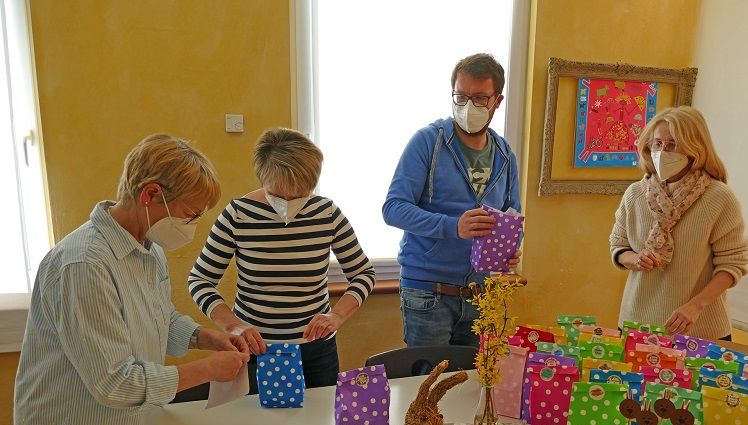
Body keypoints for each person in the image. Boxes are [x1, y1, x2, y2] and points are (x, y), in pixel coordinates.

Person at [14, 134, 251, 425]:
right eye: (189, 214)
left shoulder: (148, 249)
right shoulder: (84, 265)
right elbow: (116, 383)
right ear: (150, 194)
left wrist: (207, 337)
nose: (192, 226)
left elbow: (160, 317)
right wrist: (209, 369)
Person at [188, 127, 375, 389]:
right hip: (255, 349)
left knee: (319, 415)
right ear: (263, 177)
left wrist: (336, 317)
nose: (288, 202)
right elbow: (200, 281)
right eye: (278, 194)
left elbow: (363, 274)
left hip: (315, 352)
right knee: (254, 416)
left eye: (299, 194)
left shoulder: (327, 214)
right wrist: (233, 327)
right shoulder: (238, 215)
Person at [382, 52, 521, 348]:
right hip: (427, 292)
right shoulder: (427, 142)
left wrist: (509, 251)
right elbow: (393, 208)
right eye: (461, 96)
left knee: (473, 377)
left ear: (498, 101)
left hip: (480, 294)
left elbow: (513, 216)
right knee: (428, 377)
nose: (468, 106)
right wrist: (453, 226)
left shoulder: (505, 154)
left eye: (480, 98)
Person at [609, 106, 748, 339]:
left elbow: (732, 264)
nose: (662, 152)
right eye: (657, 143)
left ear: (695, 148)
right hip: (638, 324)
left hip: (700, 329)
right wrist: (635, 259)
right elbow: (618, 246)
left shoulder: (718, 197)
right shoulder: (635, 194)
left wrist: (696, 306)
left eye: (673, 144)